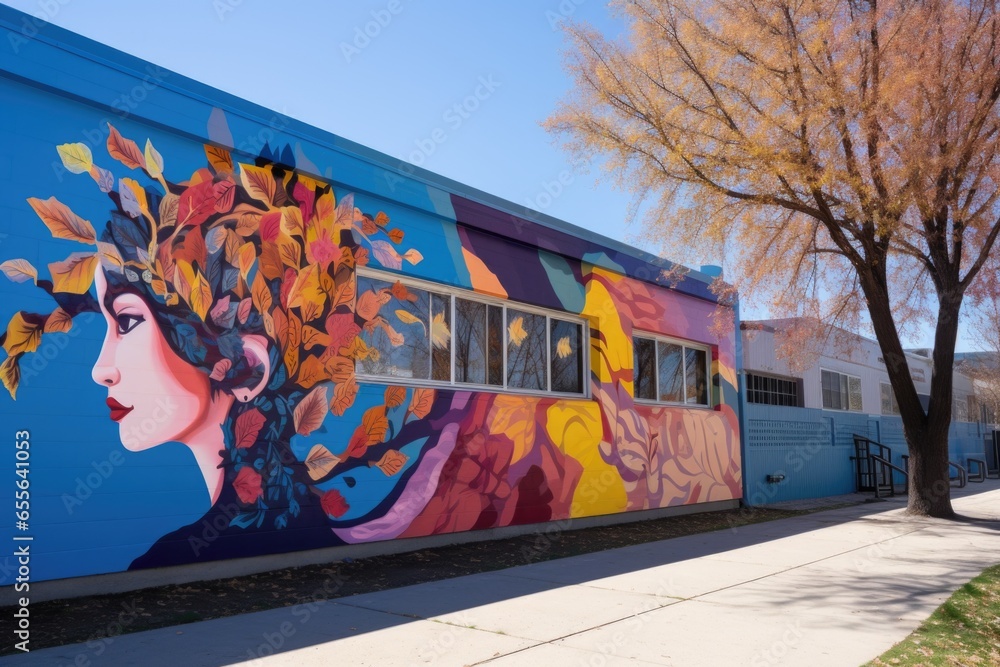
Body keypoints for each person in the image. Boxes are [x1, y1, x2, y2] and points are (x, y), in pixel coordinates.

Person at [1, 125, 445, 568]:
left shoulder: (175, 560)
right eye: (109, 320)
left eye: (129, 320)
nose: (101, 368)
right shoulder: (300, 531)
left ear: (247, 367)